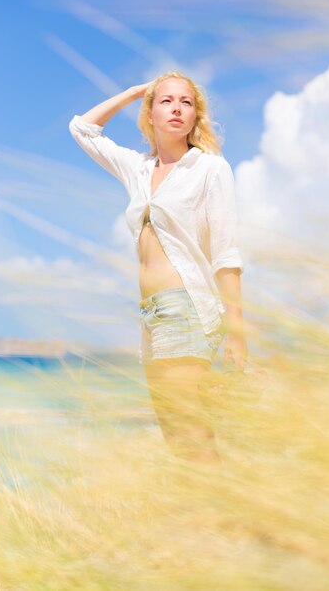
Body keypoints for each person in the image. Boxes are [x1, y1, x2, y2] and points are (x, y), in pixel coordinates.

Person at [69, 71, 248, 464]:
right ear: (149, 113)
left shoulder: (209, 169)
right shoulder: (138, 169)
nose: (177, 109)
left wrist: (236, 331)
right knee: (174, 431)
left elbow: (226, 256)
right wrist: (136, 92)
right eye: (166, 101)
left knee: (191, 431)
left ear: (194, 115)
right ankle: (210, 516)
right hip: (151, 316)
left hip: (187, 309)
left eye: (186, 102)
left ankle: (220, 517)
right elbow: (82, 129)